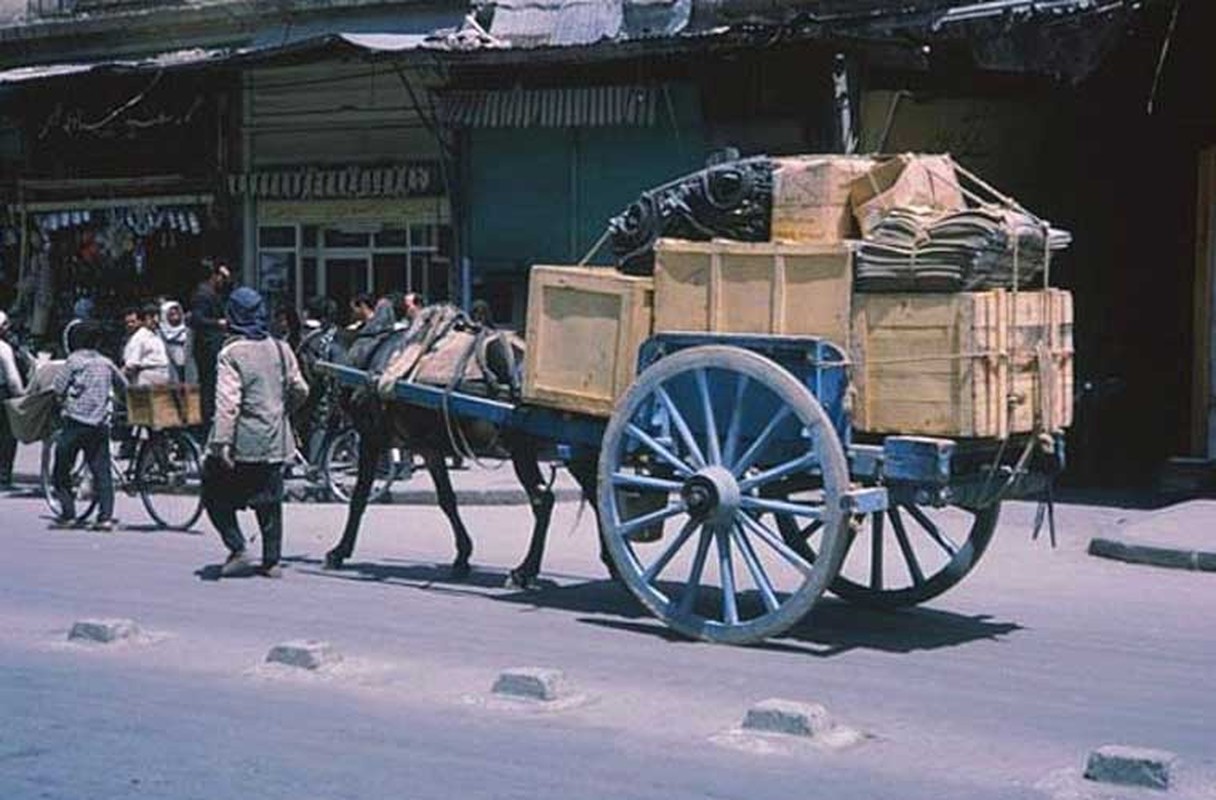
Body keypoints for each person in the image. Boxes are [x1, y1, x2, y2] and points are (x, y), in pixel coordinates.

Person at [204, 287, 309, 578]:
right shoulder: (281, 348)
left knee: (213, 493)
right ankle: (272, 561)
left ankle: (237, 547)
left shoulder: (231, 353)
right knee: (270, 500)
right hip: (276, 440)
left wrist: (221, 443)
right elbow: (301, 389)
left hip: (243, 442)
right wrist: (281, 409)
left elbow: (228, 402)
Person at [51, 321, 127, 530]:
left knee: (61, 468)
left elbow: (58, 388)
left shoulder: (73, 361)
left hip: (75, 421)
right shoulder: (106, 363)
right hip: (99, 424)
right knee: (102, 471)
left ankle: (68, 514)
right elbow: (123, 386)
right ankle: (105, 518)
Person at [190, 260, 232, 425]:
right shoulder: (203, 294)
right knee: (208, 383)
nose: (223, 281)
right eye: (221, 277)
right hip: (207, 346)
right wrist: (218, 323)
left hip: (213, 344)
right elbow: (197, 319)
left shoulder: (214, 293)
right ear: (214, 276)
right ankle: (206, 418)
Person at [0, 311, 26, 490]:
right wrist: (21, 395)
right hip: (2, 393)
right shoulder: (3, 348)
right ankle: (3, 476)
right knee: (7, 435)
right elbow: (12, 377)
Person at [122, 303, 172, 387]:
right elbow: (132, 363)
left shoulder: (150, 335)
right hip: (152, 377)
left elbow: (132, 364)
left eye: (133, 322)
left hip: (156, 376)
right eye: (127, 323)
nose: (130, 325)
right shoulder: (142, 336)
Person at [159, 300, 192, 383]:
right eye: (171, 315)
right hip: (170, 371)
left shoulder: (188, 332)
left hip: (188, 371)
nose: (175, 317)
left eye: (177, 314)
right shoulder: (160, 333)